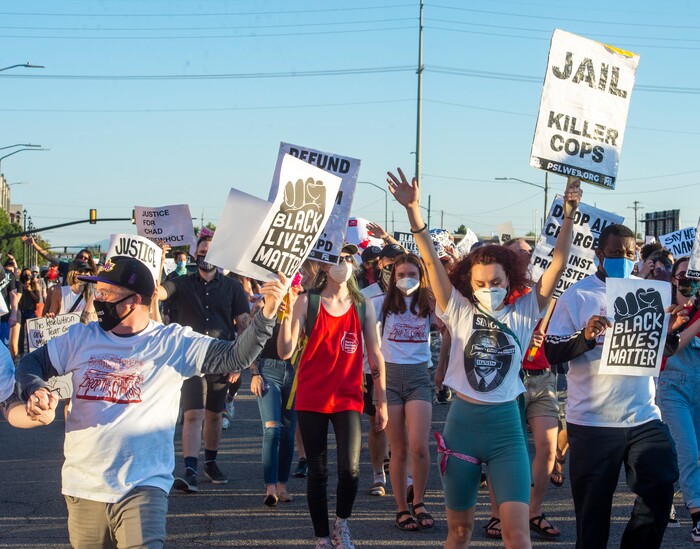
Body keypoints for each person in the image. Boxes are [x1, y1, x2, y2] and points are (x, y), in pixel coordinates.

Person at [16, 254, 286, 549]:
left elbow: (236, 356)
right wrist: (35, 388)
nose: (98, 300)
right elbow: (32, 363)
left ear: (132, 301)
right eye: (97, 292)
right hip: (84, 485)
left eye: (105, 294)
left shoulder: (174, 342)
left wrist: (268, 313)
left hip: (142, 486)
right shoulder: (81, 336)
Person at [388, 166, 581, 549]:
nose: (489, 289)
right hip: (461, 429)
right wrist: (414, 213)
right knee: (458, 534)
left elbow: (558, 262)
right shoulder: (456, 308)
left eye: (496, 282)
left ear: (510, 280)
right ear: (469, 284)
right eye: (481, 283)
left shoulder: (526, 311)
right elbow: (428, 261)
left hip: (506, 432)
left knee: (517, 536)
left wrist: (569, 213)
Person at [544, 223, 683, 549]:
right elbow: (551, 350)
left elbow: (663, 348)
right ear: (599, 255)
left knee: (661, 484)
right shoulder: (577, 296)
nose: (623, 258)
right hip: (592, 423)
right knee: (592, 519)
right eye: (615, 253)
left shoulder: (649, 291)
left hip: (642, 417)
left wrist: (670, 332)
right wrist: (585, 338)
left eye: (629, 253)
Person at [278, 244, 388, 549]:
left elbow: (376, 354)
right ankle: (322, 537)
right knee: (318, 471)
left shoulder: (363, 303)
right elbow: (285, 351)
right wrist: (287, 311)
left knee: (350, 470)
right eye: (338, 259)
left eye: (348, 258)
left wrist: (382, 401)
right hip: (312, 397)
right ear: (325, 266)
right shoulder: (306, 301)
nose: (344, 264)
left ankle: (342, 524)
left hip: (348, 398)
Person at [158, 234, 251, 491]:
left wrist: (238, 362)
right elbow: (159, 292)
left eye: (210, 252)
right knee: (193, 414)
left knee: (213, 415)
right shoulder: (182, 283)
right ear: (194, 254)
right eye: (201, 251)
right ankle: (189, 469)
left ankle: (210, 462)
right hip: (190, 359)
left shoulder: (233, 288)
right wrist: (158, 257)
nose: (205, 256)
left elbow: (243, 325)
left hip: (222, 358)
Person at [377, 252, 436, 531]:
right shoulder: (383, 304)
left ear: (421, 276)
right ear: (393, 277)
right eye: (400, 275)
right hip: (390, 378)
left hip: (418, 377)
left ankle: (420, 500)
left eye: (412, 274)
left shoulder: (430, 303)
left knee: (419, 447)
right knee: (398, 450)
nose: (406, 279)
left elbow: (447, 329)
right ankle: (401, 507)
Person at [657, 256, 700, 542]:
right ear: (673, 278)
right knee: (687, 450)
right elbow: (670, 349)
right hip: (672, 387)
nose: (689, 282)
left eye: (694, 277)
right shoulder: (663, 307)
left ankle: (663, 497)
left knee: (681, 451)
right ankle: (697, 515)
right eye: (683, 276)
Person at [250, 284, 300, 507]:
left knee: (288, 433)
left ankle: (282, 485)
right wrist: (254, 373)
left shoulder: (300, 305)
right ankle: (269, 487)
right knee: (272, 430)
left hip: (295, 371)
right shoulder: (262, 306)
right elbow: (249, 343)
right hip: (267, 369)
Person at [17, 268, 41, 355]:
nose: (27, 276)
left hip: (31, 311)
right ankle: (21, 352)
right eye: (25, 274)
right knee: (20, 333)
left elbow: (38, 300)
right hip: (22, 310)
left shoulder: (35, 285)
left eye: (28, 274)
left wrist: (30, 290)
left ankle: (31, 351)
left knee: (30, 332)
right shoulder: (19, 285)